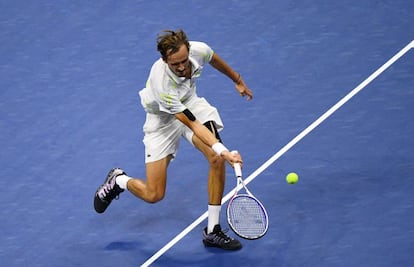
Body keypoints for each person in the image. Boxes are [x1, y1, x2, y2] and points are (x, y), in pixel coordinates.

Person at [93, 29, 253, 250]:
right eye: (174, 64)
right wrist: (222, 149)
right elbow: (193, 125)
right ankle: (118, 180)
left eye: (184, 61)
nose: (181, 67)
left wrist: (238, 80)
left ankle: (213, 230)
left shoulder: (199, 50)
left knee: (215, 159)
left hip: (190, 103)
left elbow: (214, 59)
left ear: (189, 51)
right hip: (163, 120)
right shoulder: (162, 85)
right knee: (154, 194)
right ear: (164, 60)